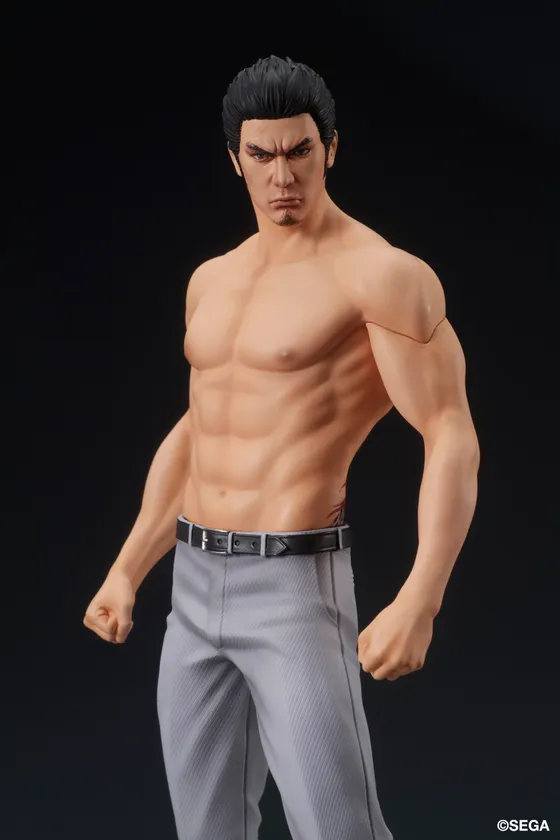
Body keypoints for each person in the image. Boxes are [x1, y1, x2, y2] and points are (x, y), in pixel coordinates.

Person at [83, 55, 480, 840]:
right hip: (193, 586)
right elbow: (201, 429)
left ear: (330, 148)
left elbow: (450, 433)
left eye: (299, 151)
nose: (282, 176)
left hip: (295, 589)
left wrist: (422, 598)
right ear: (236, 159)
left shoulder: (381, 276)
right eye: (261, 155)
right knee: (205, 830)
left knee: (338, 828)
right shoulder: (213, 281)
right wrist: (128, 568)